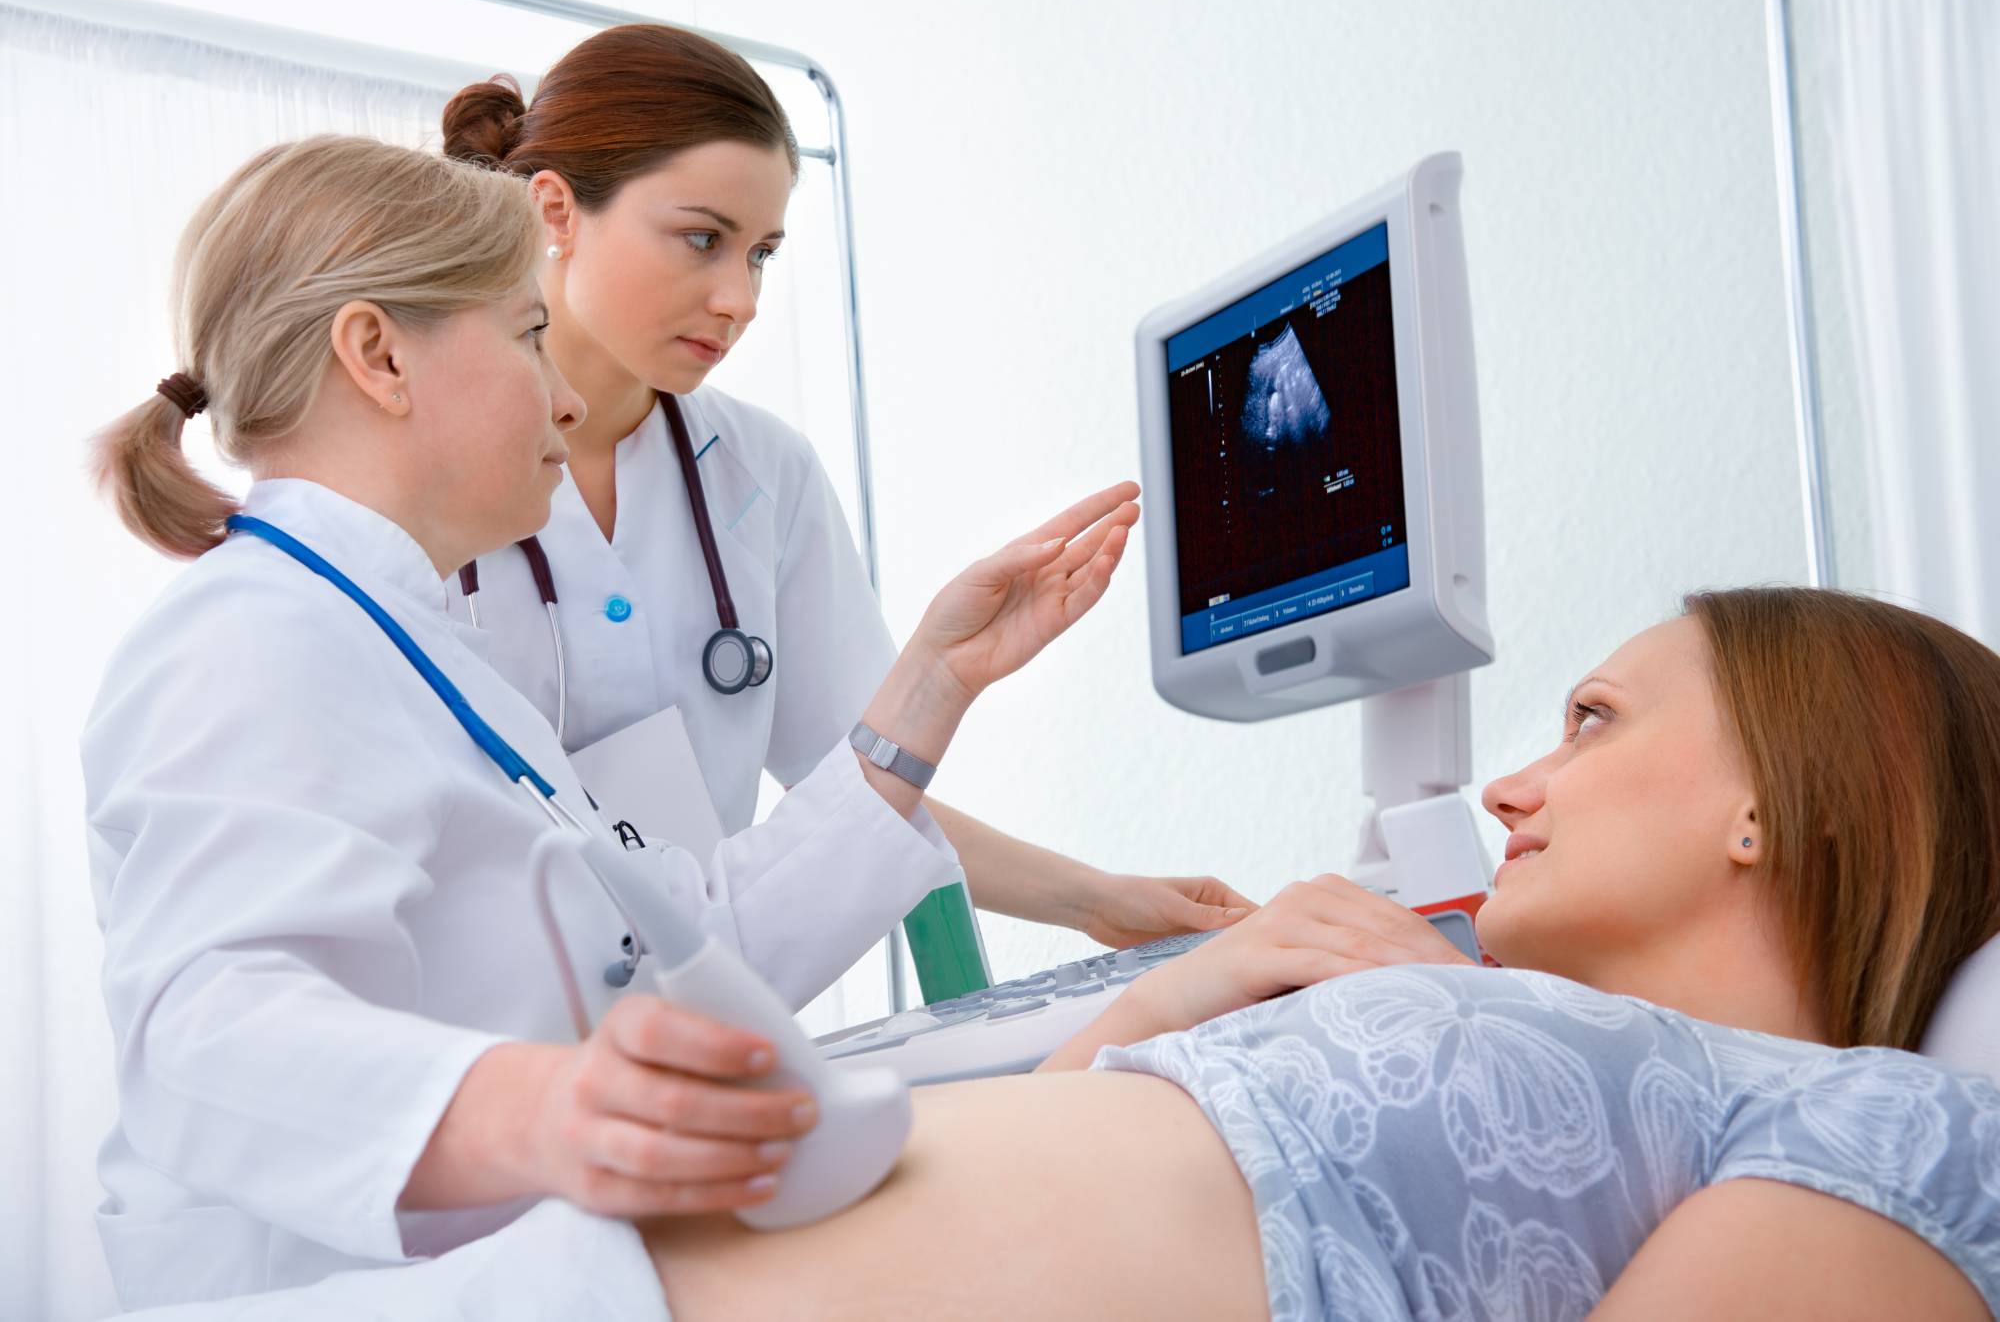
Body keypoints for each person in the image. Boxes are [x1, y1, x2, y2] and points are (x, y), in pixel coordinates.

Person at [116, 578, 2000, 1319]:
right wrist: (1174, 993)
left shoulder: (1884, 1126)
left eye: (1591, 719)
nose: (1513, 779)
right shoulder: (1493, 1006)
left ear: (1794, 787)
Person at [81, 134, 1142, 1312]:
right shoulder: (251, 636)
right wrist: (556, 1109)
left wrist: (929, 691)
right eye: (530, 334)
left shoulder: (419, 648)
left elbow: (671, 949)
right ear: (379, 355)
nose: (571, 393)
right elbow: (208, 1037)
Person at [435, 23, 1254, 981]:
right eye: (702, 239)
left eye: (762, 255)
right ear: (557, 209)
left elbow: (871, 784)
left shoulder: (760, 476)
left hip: (703, 1024)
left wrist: (1099, 902)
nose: (739, 298)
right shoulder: (422, 455)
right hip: (482, 1047)